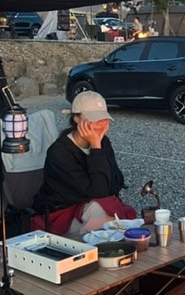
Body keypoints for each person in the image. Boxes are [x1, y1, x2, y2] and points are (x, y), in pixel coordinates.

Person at [31, 91, 136, 236]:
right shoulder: (60, 152)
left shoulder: (103, 142)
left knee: (113, 217)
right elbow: (98, 191)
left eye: (104, 119)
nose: (101, 124)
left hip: (91, 206)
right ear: (76, 118)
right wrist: (96, 148)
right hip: (62, 213)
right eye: (94, 119)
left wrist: (97, 145)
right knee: (101, 214)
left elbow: (116, 183)